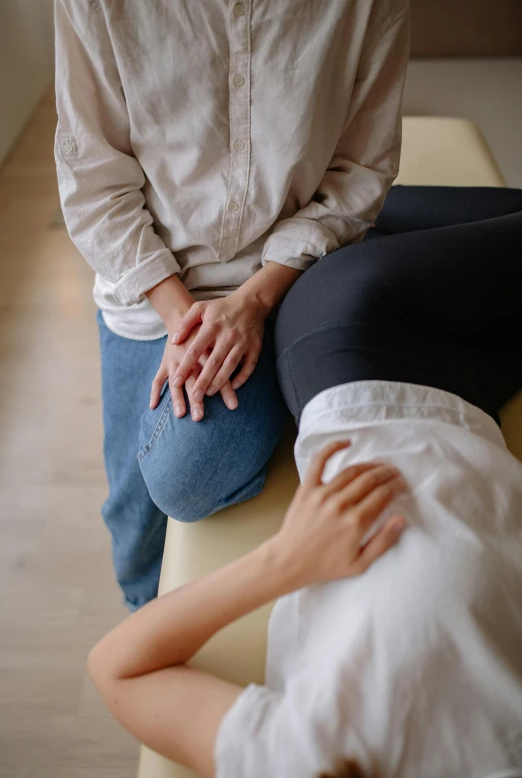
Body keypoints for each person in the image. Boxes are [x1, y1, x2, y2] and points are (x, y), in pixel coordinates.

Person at [87, 186, 522, 777]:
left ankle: (308, 219)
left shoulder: (301, 759)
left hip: (361, 350)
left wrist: (287, 560)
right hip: (471, 399)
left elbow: (116, 668)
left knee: (334, 217)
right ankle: (319, 217)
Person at [53, 0, 410, 610]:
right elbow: (92, 178)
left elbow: (360, 167)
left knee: (183, 475)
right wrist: (182, 321)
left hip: (289, 279)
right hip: (149, 284)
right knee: (133, 514)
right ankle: (146, 630)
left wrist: (252, 302)